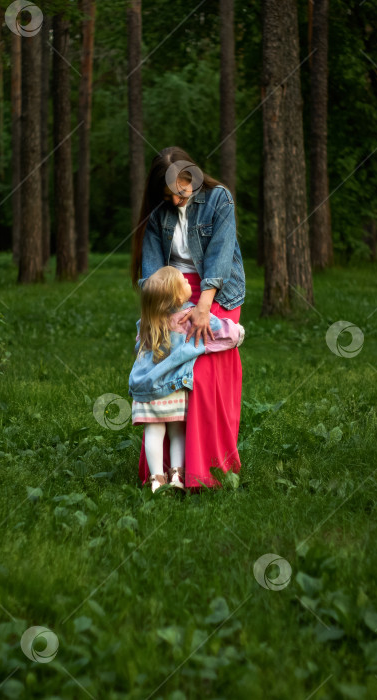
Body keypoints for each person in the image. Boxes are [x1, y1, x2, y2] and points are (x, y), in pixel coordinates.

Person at [130, 146, 245, 491]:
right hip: (172, 293)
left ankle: (208, 469)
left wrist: (203, 308)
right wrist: (166, 313)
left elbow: (221, 256)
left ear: (191, 178)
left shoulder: (219, 199)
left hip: (218, 290)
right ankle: (164, 471)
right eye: (167, 196)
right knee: (168, 364)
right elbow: (152, 273)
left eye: (181, 192)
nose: (176, 201)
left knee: (204, 374)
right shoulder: (157, 215)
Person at [128, 266, 245, 493]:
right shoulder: (187, 317)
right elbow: (223, 332)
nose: (187, 280)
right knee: (177, 431)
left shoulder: (147, 322)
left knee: (153, 431)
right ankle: (177, 476)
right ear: (176, 295)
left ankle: (155, 479)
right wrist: (238, 332)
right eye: (183, 280)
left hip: (147, 389)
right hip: (173, 388)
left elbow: (138, 346)